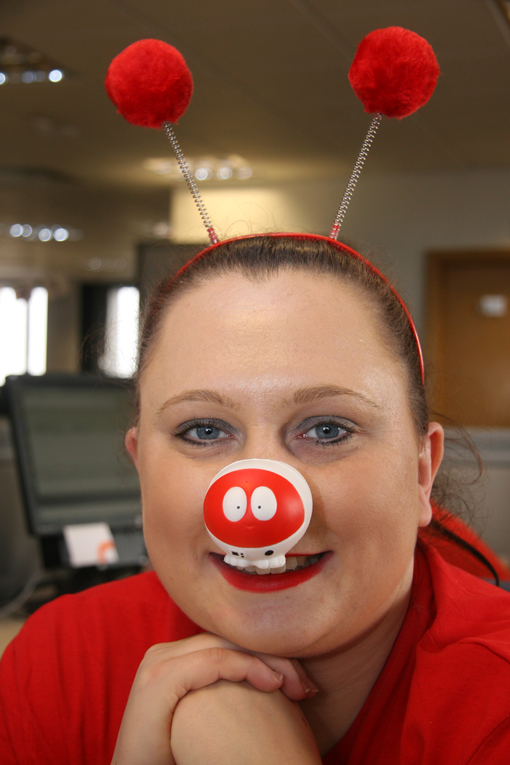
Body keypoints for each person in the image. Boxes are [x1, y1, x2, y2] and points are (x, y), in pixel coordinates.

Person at [1, 233, 510, 764]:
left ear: (422, 471)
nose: (256, 500)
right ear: (141, 467)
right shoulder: (62, 661)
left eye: (328, 430)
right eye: (202, 431)